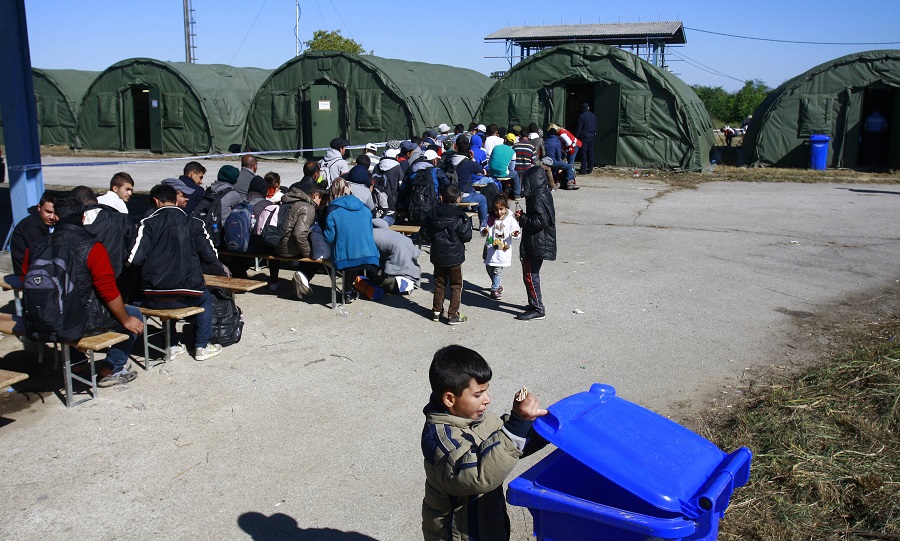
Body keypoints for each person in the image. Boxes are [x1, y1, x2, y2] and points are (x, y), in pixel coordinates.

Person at [421, 344, 547, 541]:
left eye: (486, 391)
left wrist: (541, 431)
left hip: (487, 524)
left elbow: (504, 446)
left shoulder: (479, 419)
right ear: (449, 399)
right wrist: (516, 426)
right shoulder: (441, 439)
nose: (487, 400)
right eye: (478, 394)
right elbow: (476, 473)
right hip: (459, 534)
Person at [22, 197, 144, 387]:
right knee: (134, 314)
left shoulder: (36, 246)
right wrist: (125, 318)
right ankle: (112, 368)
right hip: (76, 322)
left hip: (42, 318)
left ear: (56, 217)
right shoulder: (92, 247)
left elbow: (25, 280)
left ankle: (78, 363)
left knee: (67, 308)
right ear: (83, 218)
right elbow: (107, 289)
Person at [127, 184, 228, 361]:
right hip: (189, 292)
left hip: (154, 293)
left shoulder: (147, 224)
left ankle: (172, 344)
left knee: (166, 297)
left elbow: (134, 259)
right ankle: (202, 346)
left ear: (156, 202)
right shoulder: (195, 224)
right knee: (206, 297)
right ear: (176, 201)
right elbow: (211, 256)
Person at [322, 178, 380, 305]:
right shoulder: (365, 208)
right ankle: (351, 290)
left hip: (345, 258)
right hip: (370, 255)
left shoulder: (332, 210)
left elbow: (329, 238)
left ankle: (347, 293)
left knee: (347, 256)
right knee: (353, 258)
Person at [424, 184, 472, 324]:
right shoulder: (461, 217)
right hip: (455, 255)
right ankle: (453, 314)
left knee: (439, 283)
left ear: (441, 198)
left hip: (438, 254)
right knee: (456, 284)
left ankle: (436, 311)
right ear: (458, 199)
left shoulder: (431, 213)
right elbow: (466, 236)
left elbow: (425, 234)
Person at [515, 162, 556, 321]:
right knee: (531, 274)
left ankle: (538, 308)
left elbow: (540, 221)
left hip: (538, 241)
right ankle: (534, 303)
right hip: (539, 240)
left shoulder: (538, 197)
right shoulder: (542, 193)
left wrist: (523, 218)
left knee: (530, 275)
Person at [481, 194, 521, 300]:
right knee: (489, 268)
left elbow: (515, 229)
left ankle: (494, 289)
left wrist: (515, 233)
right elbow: (483, 227)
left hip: (503, 251)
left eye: (501, 209)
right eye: (496, 210)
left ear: (506, 207)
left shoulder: (510, 218)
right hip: (490, 249)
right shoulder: (490, 218)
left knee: (497, 270)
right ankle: (497, 285)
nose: (498, 212)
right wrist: (484, 231)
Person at [10, 192, 57, 276]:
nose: (52, 217)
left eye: (55, 213)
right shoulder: (30, 226)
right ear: (39, 208)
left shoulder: (48, 223)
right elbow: (43, 255)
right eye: (48, 212)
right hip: (29, 275)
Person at [451, 137, 488, 228]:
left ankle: (468, 223)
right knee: (482, 199)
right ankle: (483, 225)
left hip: (451, 194)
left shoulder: (450, 160)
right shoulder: (469, 163)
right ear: (469, 151)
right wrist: (472, 159)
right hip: (465, 195)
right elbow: (481, 171)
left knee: (466, 205)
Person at [486, 134, 520, 199]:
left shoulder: (496, 147)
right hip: (502, 173)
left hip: (491, 172)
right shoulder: (513, 152)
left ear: (505, 140)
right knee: (515, 174)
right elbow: (511, 168)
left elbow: (490, 161)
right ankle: (517, 195)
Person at [575, 102, 597, 174]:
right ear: (588, 107)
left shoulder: (582, 116)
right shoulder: (593, 116)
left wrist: (576, 137)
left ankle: (583, 169)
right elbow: (595, 127)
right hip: (592, 135)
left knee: (584, 152)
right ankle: (590, 168)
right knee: (591, 152)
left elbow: (579, 128)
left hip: (584, 136)